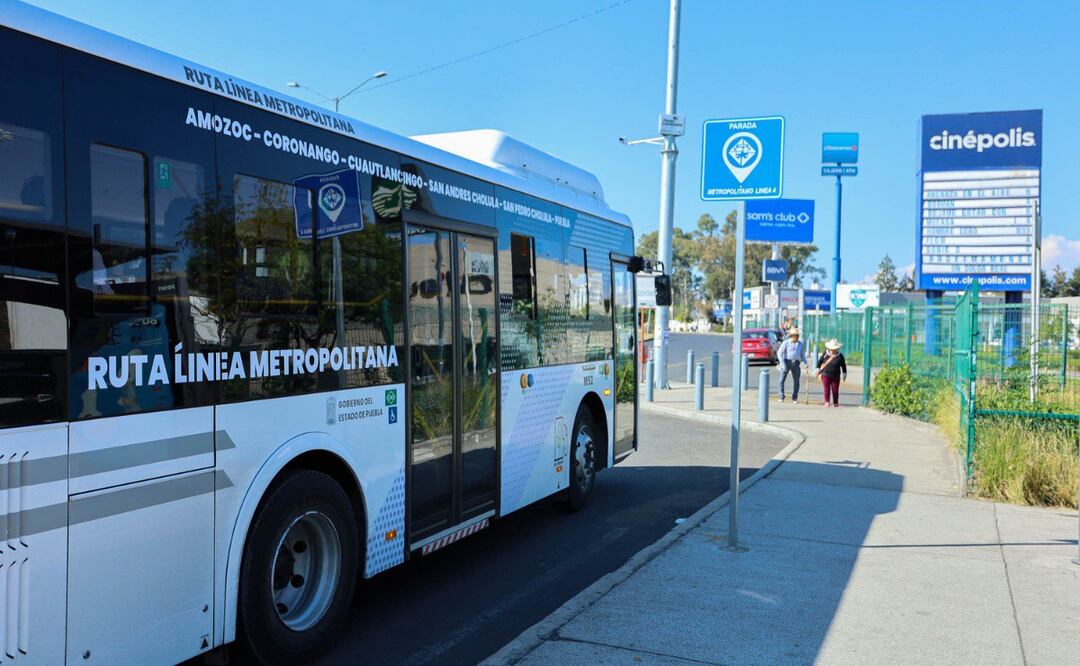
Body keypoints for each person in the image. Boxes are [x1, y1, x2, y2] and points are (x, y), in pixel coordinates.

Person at [776, 328, 806, 404]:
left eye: (797, 336)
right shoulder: (786, 343)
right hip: (786, 361)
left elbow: (802, 355)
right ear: (791, 336)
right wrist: (782, 364)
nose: (796, 337)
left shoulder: (800, 344)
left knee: (796, 381)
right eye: (795, 336)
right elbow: (779, 353)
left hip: (796, 363)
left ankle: (795, 397)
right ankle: (781, 396)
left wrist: (805, 363)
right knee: (781, 380)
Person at [815, 339, 848, 407]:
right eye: (832, 348)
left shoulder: (840, 356)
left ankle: (835, 402)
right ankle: (827, 401)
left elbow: (843, 366)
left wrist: (844, 375)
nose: (833, 350)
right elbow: (820, 362)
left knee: (835, 390)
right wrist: (817, 369)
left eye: (835, 349)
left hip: (836, 376)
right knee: (826, 389)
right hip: (825, 374)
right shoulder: (825, 354)